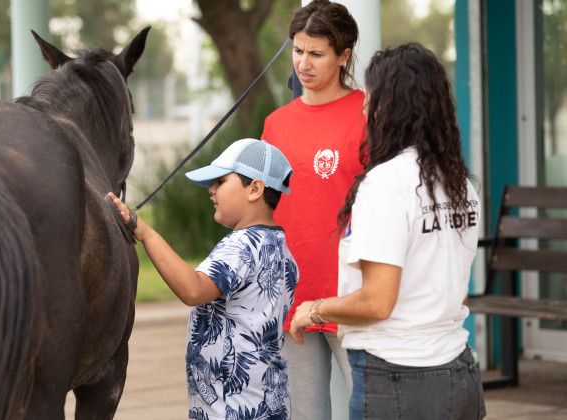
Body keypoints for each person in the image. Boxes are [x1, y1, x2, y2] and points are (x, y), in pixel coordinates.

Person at [289, 43, 486, 419]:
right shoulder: (460, 184)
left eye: (372, 98)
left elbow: (377, 303)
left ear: (392, 107)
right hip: (460, 376)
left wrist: (314, 310)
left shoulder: (386, 183)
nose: (364, 109)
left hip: (399, 381)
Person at [108, 138, 298, 419]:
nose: (211, 190)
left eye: (220, 182)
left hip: (233, 409)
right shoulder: (280, 247)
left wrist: (143, 231)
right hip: (268, 403)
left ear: (255, 189)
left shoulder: (242, 245)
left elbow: (193, 290)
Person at [260, 1, 364, 417]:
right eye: (298, 50)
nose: (304, 63)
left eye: (316, 53)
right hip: (290, 296)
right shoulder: (276, 124)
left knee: (374, 410)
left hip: (353, 295)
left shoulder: (368, 114)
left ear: (343, 56)